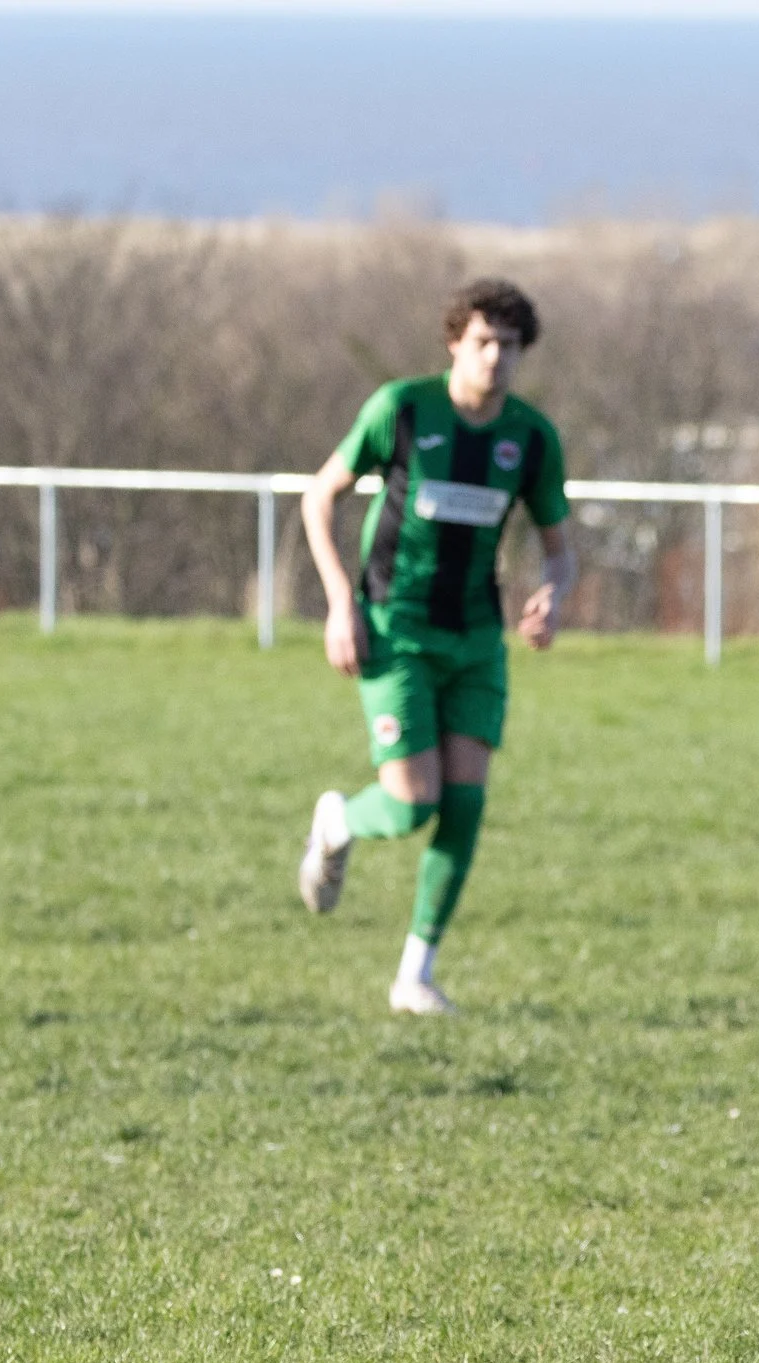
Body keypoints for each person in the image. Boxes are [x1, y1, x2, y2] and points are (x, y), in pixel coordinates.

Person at [293, 278, 577, 1015]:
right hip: (395, 631)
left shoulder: (532, 438)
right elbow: (319, 495)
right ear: (455, 342)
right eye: (482, 342)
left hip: (478, 640)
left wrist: (554, 592)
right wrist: (338, 603)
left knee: (465, 803)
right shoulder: (402, 409)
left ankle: (415, 973)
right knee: (412, 801)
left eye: (509, 346)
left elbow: (560, 548)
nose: (495, 358)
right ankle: (337, 821)